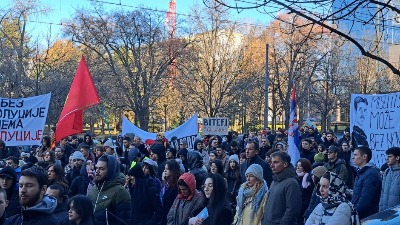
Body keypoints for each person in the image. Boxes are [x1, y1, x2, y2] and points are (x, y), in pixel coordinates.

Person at [88, 155, 132, 225]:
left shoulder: (120, 192)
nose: (97, 171)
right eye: (96, 168)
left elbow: (124, 221)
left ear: (110, 171)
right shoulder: (93, 189)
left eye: (102, 169)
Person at [262, 151, 302, 225]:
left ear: (285, 164)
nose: (271, 165)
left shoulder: (291, 184)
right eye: (271, 162)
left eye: (276, 162)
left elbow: (292, 211)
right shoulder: (274, 181)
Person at [351, 146, 382, 219]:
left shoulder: (371, 174)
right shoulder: (361, 172)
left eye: (355, 155)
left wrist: (354, 214)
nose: (353, 157)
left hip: (367, 216)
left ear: (364, 156)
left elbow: (365, 200)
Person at [379, 147, 400, 211]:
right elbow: (382, 193)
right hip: (384, 213)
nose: (387, 159)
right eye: (387, 156)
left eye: (390, 157)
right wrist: (380, 211)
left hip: (397, 216)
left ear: (397, 158)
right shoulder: (387, 171)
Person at [161, 160, 181, 225]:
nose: (165, 171)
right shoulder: (167, 183)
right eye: (164, 169)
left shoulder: (177, 185)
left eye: (167, 169)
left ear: (173, 170)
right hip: (164, 215)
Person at [296, 158, 313, 225]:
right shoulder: (295, 176)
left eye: (300, 166)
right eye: (297, 165)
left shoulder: (309, 177)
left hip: (304, 206)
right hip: (296, 205)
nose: (297, 167)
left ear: (305, 166)